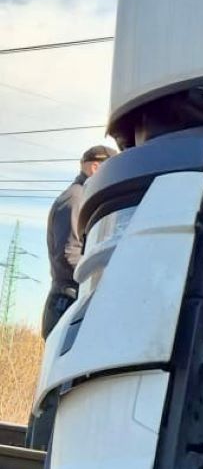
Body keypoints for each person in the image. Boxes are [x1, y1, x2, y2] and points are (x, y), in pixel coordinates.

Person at [42, 143, 113, 339]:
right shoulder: (76, 199)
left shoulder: (85, 196)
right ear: (96, 168)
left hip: (73, 300)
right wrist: (103, 278)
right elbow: (68, 254)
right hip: (67, 302)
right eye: (111, 168)